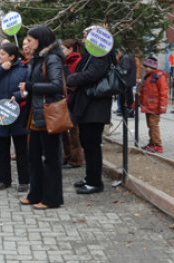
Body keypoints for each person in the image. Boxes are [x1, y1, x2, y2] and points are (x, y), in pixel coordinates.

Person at [17, 26, 65, 209]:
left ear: (41, 40)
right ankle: (35, 194)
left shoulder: (52, 58)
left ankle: (52, 199)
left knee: (51, 159)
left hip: (48, 114)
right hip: (36, 115)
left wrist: (31, 86)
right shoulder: (38, 59)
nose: (27, 43)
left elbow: (56, 85)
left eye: (30, 40)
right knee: (34, 157)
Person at [67, 26, 114, 195]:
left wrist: (72, 78)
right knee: (87, 143)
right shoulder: (92, 54)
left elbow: (93, 74)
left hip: (95, 107)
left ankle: (95, 182)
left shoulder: (100, 54)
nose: (84, 39)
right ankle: (90, 178)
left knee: (92, 145)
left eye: (86, 35)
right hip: (88, 105)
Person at [0, 42, 29, 192]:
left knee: (21, 149)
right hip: (0, 114)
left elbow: (27, 89)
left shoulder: (24, 70)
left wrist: (17, 96)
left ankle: (24, 181)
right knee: (3, 150)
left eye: (2, 54)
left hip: (18, 115)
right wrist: (0, 70)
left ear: (12, 56)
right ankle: (5, 180)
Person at [61, 39, 84, 169]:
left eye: (63, 49)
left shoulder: (77, 61)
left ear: (70, 49)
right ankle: (67, 156)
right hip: (64, 99)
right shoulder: (65, 62)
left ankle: (76, 159)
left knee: (73, 131)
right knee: (64, 130)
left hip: (73, 99)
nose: (61, 51)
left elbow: (75, 81)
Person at [138, 56, 169, 153]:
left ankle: (157, 145)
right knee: (150, 125)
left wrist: (162, 106)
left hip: (155, 107)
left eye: (146, 67)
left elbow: (163, 92)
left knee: (154, 125)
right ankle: (152, 142)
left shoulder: (159, 76)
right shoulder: (148, 77)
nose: (144, 68)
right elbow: (143, 92)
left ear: (151, 67)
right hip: (148, 106)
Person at [115, 48, 137, 117]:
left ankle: (128, 111)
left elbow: (125, 69)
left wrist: (117, 69)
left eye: (118, 52)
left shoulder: (125, 58)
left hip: (126, 81)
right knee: (128, 97)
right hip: (128, 81)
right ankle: (127, 111)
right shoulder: (127, 57)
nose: (118, 54)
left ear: (121, 52)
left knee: (126, 97)